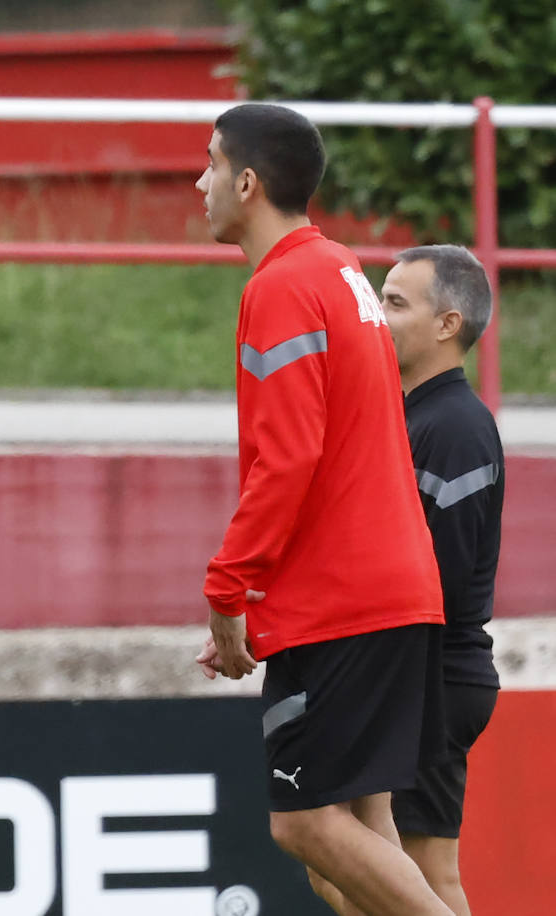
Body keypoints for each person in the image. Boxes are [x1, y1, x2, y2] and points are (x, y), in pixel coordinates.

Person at [192, 103, 453, 916]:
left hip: (345, 605)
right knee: (349, 858)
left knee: (305, 825)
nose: (197, 183)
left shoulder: (282, 286)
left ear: (246, 181)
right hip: (385, 591)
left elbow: (289, 460)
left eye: (207, 165)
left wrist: (227, 588)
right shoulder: (340, 269)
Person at [380, 245, 502, 915]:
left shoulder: (454, 427)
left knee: (423, 878)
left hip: (431, 678)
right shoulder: (413, 416)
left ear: (447, 324)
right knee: (351, 870)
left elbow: (441, 581)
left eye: (396, 302)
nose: (377, 314)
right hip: (413, 677)